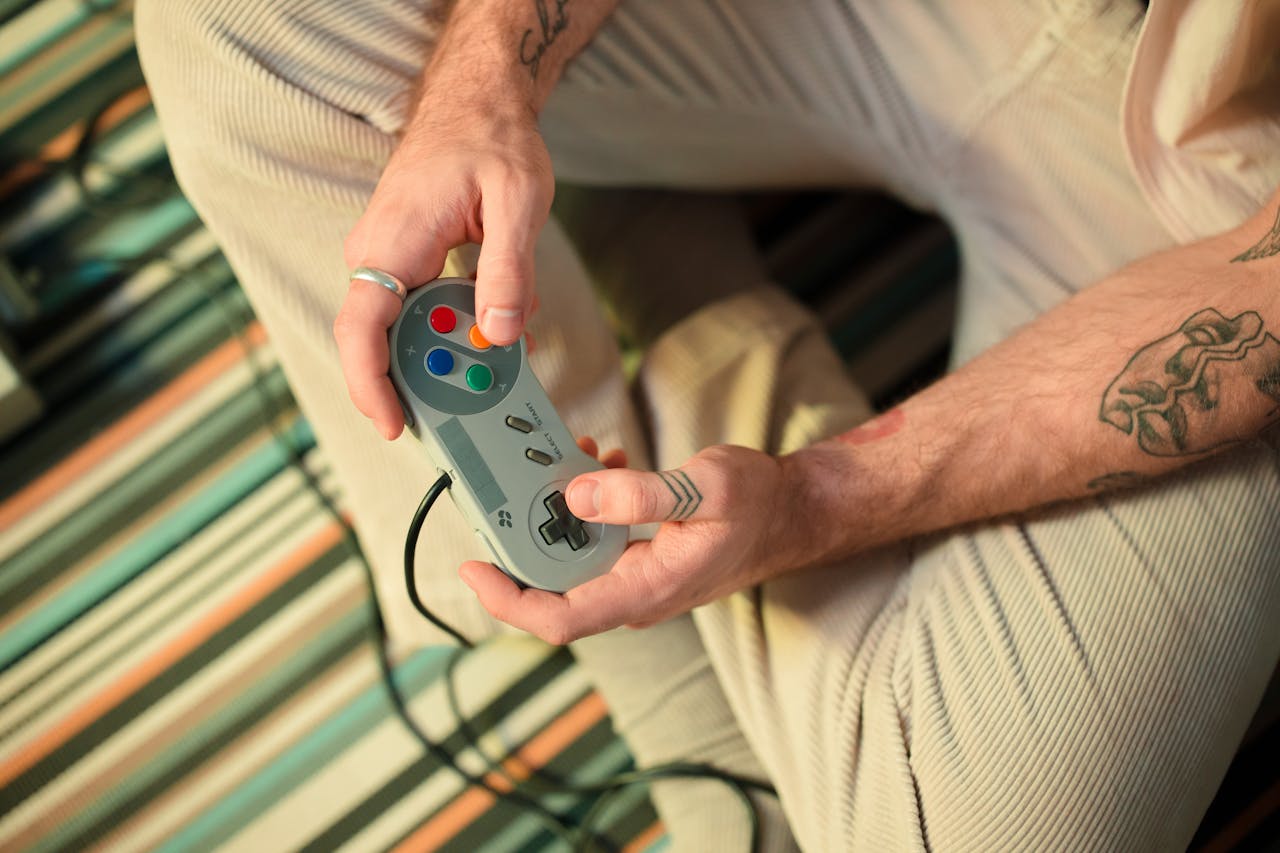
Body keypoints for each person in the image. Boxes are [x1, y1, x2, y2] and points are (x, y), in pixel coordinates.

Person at [134, 0, 1280, 849]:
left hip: (1227, 191)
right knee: (235, 29)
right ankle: (645, 641)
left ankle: (651, 269)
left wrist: (811, 499)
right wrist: (483, 88)